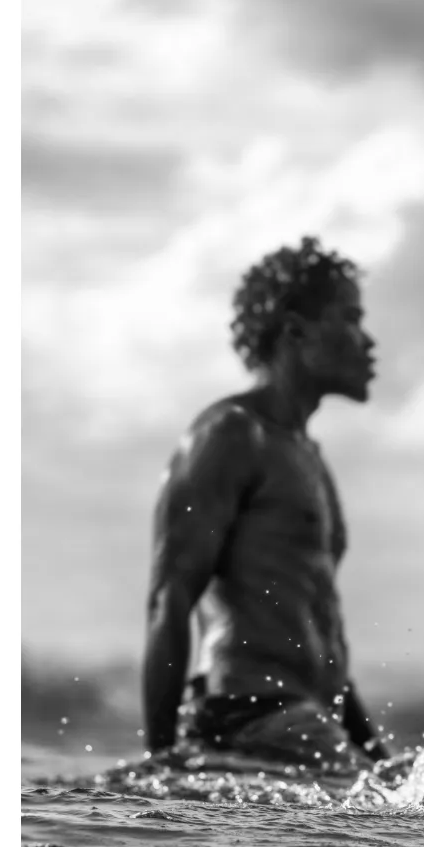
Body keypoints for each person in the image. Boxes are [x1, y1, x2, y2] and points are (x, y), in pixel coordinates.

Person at [143, 237, 386, 772]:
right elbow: (170, 597)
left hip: (308, 716)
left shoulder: (307, 457)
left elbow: (321, 635)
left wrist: (380, 760)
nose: (368, 341)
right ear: (296, 331)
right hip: (247, 715)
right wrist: (161, 764)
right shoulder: (230, 436)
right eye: (351, 318)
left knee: (420, 792)